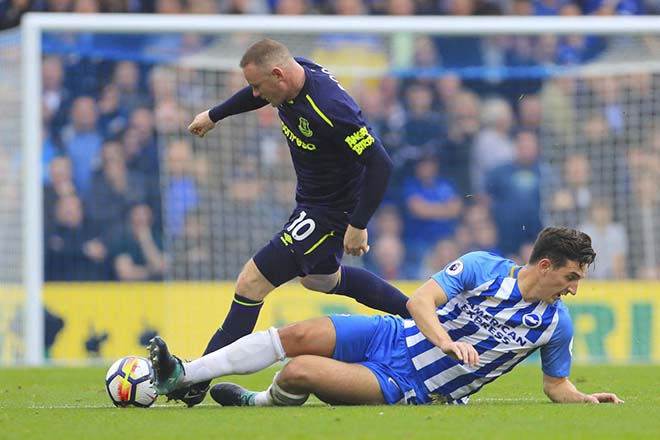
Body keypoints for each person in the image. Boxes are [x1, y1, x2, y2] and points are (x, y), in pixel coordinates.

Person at [149, 227, 623, 407]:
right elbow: (419, 303)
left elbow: (555, 385)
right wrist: (445, 341)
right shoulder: (483, 267)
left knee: (298, 372)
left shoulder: (555, 324)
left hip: (413, 386)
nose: (575, 288)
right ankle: (182, 374)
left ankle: (258, 404)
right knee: (297, 333)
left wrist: (584, 399)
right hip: (393, 334)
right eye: (571, 276)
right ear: (545, 265)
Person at [180, 38, 411, 406]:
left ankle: (195, 379)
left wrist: (358, 223)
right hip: (312, 200)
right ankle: (420, 314)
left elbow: (380, 163)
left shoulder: (331, 108)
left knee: (251, 281)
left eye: (258, 85)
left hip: (330, 211)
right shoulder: (292, 75)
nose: (255, 94)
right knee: (321, 280)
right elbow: (255, 95)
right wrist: (215, 114)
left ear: (278, 75)